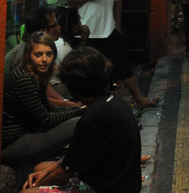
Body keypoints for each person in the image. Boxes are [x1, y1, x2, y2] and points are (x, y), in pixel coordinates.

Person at [23, 47, 142, 192]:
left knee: (28, 192)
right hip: (124, 182)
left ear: (72, 87)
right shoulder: (112, 99)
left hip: (106, 188)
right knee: (40, 168)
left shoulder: (92, 118)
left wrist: (37, 186)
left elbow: (64, 174)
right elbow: (75, 158)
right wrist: (46, 173)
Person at [66, 0, 160, 110]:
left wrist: (117, 25)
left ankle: (139, 99)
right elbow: (70, 0)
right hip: (86, 32)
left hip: (108, 30)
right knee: (89, 70)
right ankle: (89, 105)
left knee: (122, 66)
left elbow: (118, 1)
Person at [1, 30, 84, 171]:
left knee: (81, 117)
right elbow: (45, 119)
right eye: (38, 54)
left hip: (29, 134)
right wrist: (77, 112)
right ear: (28, 56)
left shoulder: (39, 75)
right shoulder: (24, 78)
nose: (44, 59)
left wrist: (75, 110)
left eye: (49, 54)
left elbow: (48, 108)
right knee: (78, 123)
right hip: (13, 145)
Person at [5, 5, 80, 109]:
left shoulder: (36, 49)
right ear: (43, 31)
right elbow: (34, 99)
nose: (59, 28)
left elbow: (43, 83)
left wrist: (64, 101)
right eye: (55, 25)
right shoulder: (24, 55)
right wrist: (68, 105)